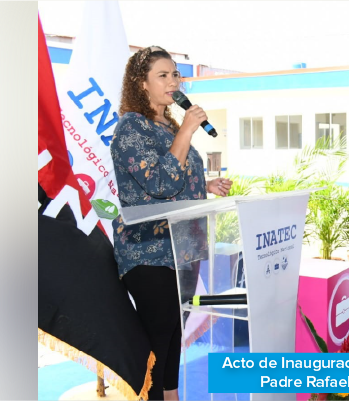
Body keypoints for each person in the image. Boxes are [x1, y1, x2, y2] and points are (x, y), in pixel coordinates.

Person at [111, 46, 232, 401]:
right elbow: (159, 183)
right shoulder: (132, 127)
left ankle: (171, 395)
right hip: (148, 251)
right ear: (141, 83)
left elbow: (175, 178)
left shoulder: (170, 125)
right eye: (162, 75)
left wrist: (204, 185)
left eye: (175, 74)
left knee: (174, 331)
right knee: (158, 334)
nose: (172, 81)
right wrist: (188, 131)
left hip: (184, 246)